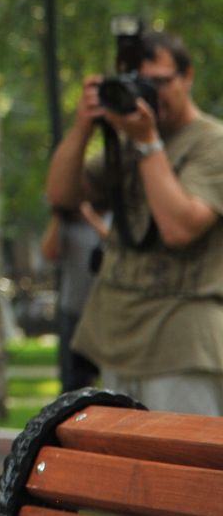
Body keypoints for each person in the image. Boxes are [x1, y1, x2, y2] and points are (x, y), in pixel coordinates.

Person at [45, 30, 223, 414]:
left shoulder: (213, 143)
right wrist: (83, 128)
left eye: (159, 82)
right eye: (140, 84)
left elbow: (180, 228)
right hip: (117, 340)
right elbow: (61, 196)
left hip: (182, 347)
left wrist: (147, 144)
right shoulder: (124, 147)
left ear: (187, 75)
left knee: (183, 470)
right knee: (129, 470)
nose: (150, 94)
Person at [41, 201, 107, 392]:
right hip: (74, 311)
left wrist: (91, 218)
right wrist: (57, 215)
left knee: (111, 377)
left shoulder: (112, 217)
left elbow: (114, 242)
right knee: (73, 382)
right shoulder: (67, 227)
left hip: (106, 314)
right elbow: (48, 252)